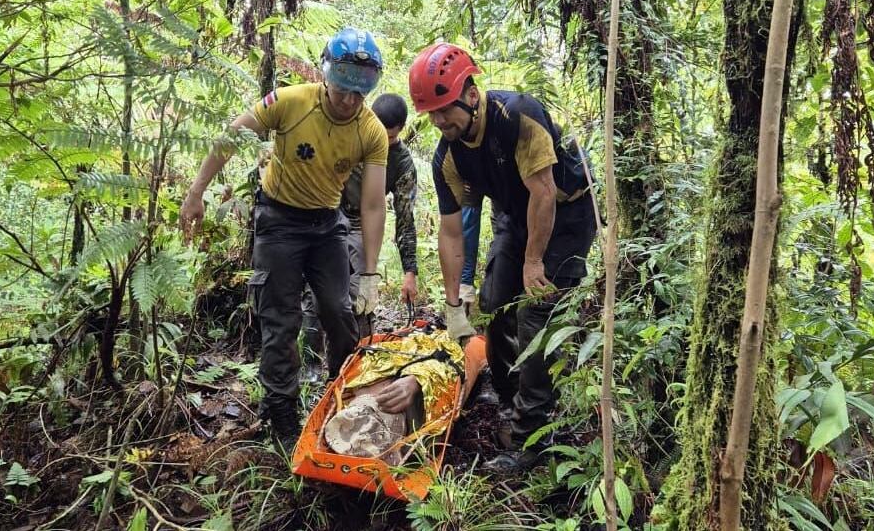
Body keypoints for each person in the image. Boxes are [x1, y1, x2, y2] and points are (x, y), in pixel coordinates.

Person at [179, 27, 389, 445]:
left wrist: (369, 274)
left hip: (328, 226)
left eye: (358, 93)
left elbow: (372, 205)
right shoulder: (292, 102)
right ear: (326, 76)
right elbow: (233, 135)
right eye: (342, 89)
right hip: (278, 222)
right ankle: (282, 418)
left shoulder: (371, 130)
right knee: (280, 322)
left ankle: (340, 396)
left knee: (338, 312)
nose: (349, 101)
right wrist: (196, 192)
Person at [409, 42, 597, 472]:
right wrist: (454, 302)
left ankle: (533, 435)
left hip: (565, 214)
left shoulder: (518, 118)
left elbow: (545, 194)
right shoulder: (448, 157)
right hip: (516, 215)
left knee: (535, 311)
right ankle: (510, 394)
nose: (439, 121)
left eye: (444, 110)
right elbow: (452, 230)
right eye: (431, 114)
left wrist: (534, 263)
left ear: (471, 95)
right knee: (493, 304)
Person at [301, 93, 420, 357]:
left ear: (400, 131)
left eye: (388, 137)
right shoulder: (348, 133)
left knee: (359, 297)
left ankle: (355, 361)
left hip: (360, 224)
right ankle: (309, 365)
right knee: (314, 293)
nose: (380, 141)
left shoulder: (402, 163)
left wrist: (409, 271)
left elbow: (405, 218)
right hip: (327, 213)